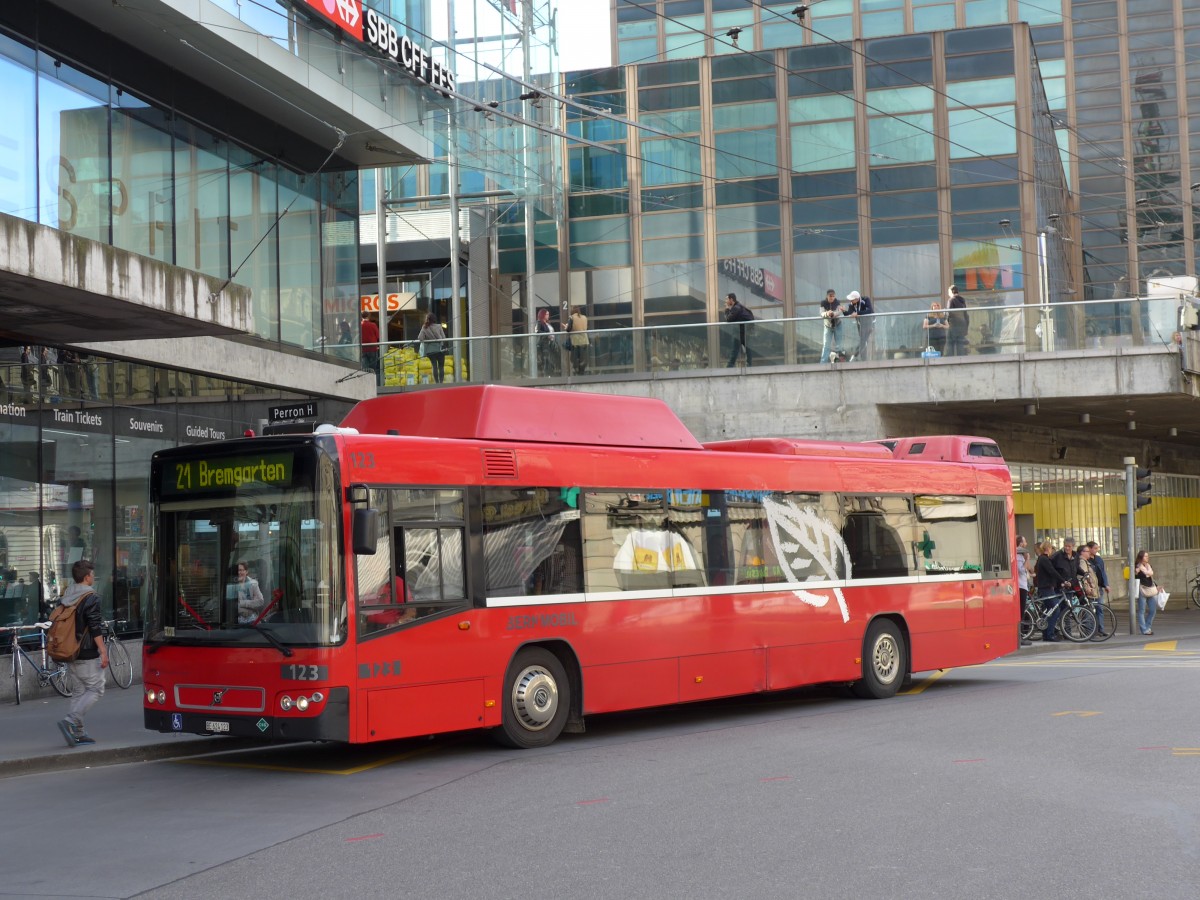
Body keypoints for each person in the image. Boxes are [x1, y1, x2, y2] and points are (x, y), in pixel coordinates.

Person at [56, 559, 106, 747]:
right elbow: (94, 626)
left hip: (70, 650)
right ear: (86, 577)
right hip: (86, 651)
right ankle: (71, 720)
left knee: (78, 692)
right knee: (96, 688)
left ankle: (78, 732)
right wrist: (103, 650)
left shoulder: (67, 594)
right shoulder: (91, 597)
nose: (93, 577)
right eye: (92, 574)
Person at [724, 292, 754, 367]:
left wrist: (727, 309)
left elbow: (728, 319)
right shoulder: (738, 307)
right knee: (745, 347)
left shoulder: (736, 308)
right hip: (742, 330)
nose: (726, 301)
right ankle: (748, 363)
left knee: (736, 348)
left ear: (731, 300)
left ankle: (730, 365)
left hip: (742, 331)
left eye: (727, 299)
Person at [418, 313, 449, 384]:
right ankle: (441, 382)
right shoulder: (439, 326)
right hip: (440, 349)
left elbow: (420, 338)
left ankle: (436, 382)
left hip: (430, 351)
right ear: (434, 319)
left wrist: (426, 339)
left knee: (434, 366)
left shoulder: (424, 327)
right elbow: (444, 338)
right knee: (441, 366)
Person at [844, 291, 874, 361]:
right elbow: (850, 313)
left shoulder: (865, 299)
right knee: (863, 340)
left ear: (857, 299)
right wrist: (844, 311)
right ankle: (860, 357)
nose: (851, 300)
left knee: (863, 340)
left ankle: (856, 355)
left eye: (852, 299)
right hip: (860, 324)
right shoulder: (852, 304)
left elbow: (869, 310)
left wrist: (858, 313)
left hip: (868, 322)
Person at [1134, 549, 1158, 635]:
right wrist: (1136, 572)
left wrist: (1157, 585)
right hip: (1142, 589)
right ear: (1141, 557)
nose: (1147, 557)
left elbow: (1150, 576)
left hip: (1151, 589)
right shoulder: (1137, 566)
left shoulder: (1149, 566)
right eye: (1145, 556)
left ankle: (1148, 627)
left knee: (1152, 610)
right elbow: (1136, 577)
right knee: (1142, 611)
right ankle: (1144, 630)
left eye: (1148, 556)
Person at [1015, 535, 1033, 646]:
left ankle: (1020, 636)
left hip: (1023, 585)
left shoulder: (1021, 554)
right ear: (1020, 543)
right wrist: (1027, 559)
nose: (1026, 543)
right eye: (1025, 541)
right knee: (1020, 612)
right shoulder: (1018, 555)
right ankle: (1019, 637)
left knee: (1022, 611)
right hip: (1020, 586)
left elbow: (1029, 569)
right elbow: (1021, 570)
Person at [563, 305, 590, 375]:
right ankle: (582, 373)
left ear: (572, 311)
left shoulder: (571, 318)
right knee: (583, 359)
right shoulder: (584, 317)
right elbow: (586, 328)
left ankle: (576, 373)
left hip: (575, 341)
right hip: (584, 340)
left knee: (575, 359)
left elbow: (568, 329)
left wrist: (566, 327)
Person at [819, 289, 843, 363]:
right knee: (826, 345)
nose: (832, 298)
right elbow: (821, 313)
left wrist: (833, 314)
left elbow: (839, 312)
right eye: (830, 296)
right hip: (827, 326)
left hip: (838, 325)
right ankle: (823, 363)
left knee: (839, 344)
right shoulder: (823, 303)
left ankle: (838, 360)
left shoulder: (837, 302)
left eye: (833, 296)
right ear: (827, 296)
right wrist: (827, 313)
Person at [946, 285, 970, 356]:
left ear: (951, 292)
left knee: (950, 344)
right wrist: (966, 328)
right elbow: (966, 315)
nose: (948, 294)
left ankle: (951, 361)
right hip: (962, 326)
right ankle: (961, 360)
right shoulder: (962, 300)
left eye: (948, 292)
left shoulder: (951, 300)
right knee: (960, 345)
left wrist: (946, 320)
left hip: (953, 326)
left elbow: (949, 313)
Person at [534, 308, 559, 375]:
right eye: (547, 314)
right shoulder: (539, 322)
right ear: (543, 315)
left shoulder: (547, 323)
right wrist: (547, 335)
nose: (548, 316)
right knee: (546, 359)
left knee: (550, 358)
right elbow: (537, 331)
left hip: (550, 343)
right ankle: (546, 373)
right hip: (544, 344)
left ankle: (550, 372)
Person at [360, 313, 381, 383]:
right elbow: (378, 336)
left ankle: (366, 383)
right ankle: (373, 383)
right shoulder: (373, 325)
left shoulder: (359, 325)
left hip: (363, 349)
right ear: (369, 316)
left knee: (365, 369)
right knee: (373, 369)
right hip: (372, 349)